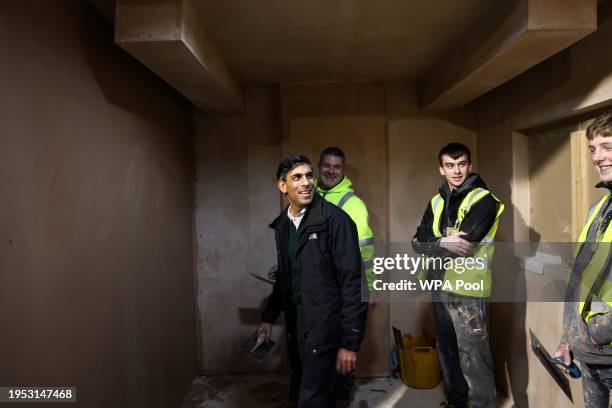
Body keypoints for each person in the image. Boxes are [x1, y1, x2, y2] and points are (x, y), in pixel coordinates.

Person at [257, 155, 368, 408]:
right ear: (282, 186)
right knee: (301, 385)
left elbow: (353, 282)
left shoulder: (336, 221)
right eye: (297, 177)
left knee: (313, 396)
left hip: (324, 324)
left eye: (309, 176)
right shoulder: (284, 225)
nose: (306, 182)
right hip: (297, 322)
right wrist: (269, 316)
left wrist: (350, 343)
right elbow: (286, 275)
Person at [412, 143, 504, 408]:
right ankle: (456, 402)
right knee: (448, 350)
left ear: (470, 166)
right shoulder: (436, 201)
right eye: (450, 166)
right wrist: (443, 242)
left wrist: (435, 242)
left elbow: (466, 246)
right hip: (439, 285)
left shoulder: (483, 200)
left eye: (461, 164)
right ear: (441, 169)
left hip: (468, 290)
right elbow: (417, 242)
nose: (456, 171)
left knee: (474, 357)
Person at [555, 113, 612, 407]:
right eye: (592, 149)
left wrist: (595, 332)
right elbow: (577, 280)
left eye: (607, 147)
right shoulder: (599, 208)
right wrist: (569, 338)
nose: (597, 157)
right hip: (590, 352)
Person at [315, 147, 375, 406]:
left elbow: (366, 248)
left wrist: (368, 288)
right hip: (316, 290)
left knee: (343, 352)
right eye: (326, 165)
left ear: (343, 170)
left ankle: (342, 400)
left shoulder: (353, 204)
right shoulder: (308, 196)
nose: (330, 171)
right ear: (319, 167)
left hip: (344, 290)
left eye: (336, 167)